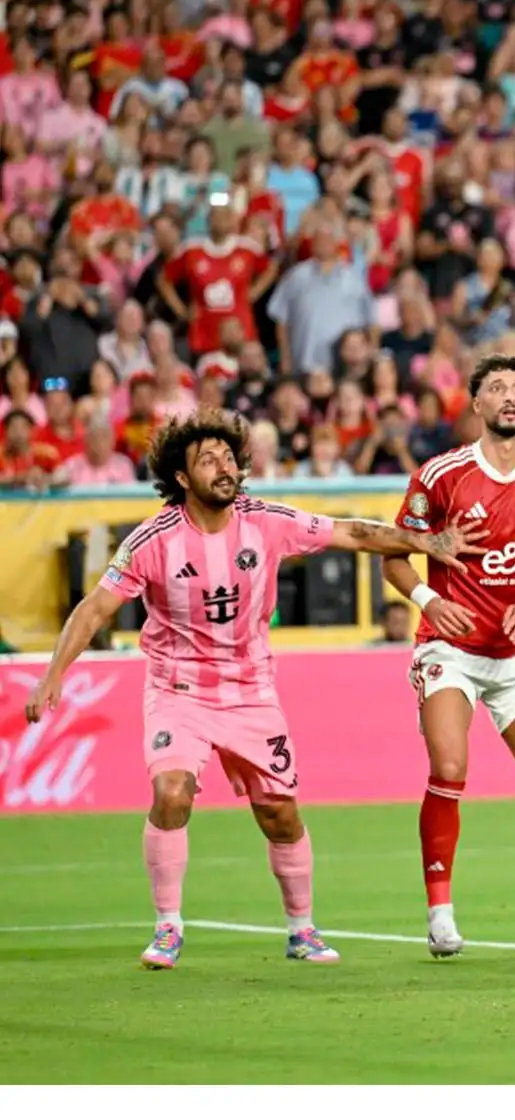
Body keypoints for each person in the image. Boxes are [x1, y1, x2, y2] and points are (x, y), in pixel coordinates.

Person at [22, 409, 484, 969]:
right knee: (171, 792)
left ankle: (302, 929)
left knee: (280, 814)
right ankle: (167, 927)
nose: (223, 467)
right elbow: (95, 607)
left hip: (250, 691)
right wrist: (54, 673)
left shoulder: (265, 520)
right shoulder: (152, 540)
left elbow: (352, 533)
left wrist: (426, 542)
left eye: (227, 456)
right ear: (183, 478)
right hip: (178, 688)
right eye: (206, 459)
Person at [381, 354, 515, 959]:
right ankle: (440, 913)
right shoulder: (441, 476)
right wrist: (429, 599)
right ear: (475, 404)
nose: (509, 396)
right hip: (449, 648)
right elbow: (395, 554)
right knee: (450, 769)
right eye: (496, 388)